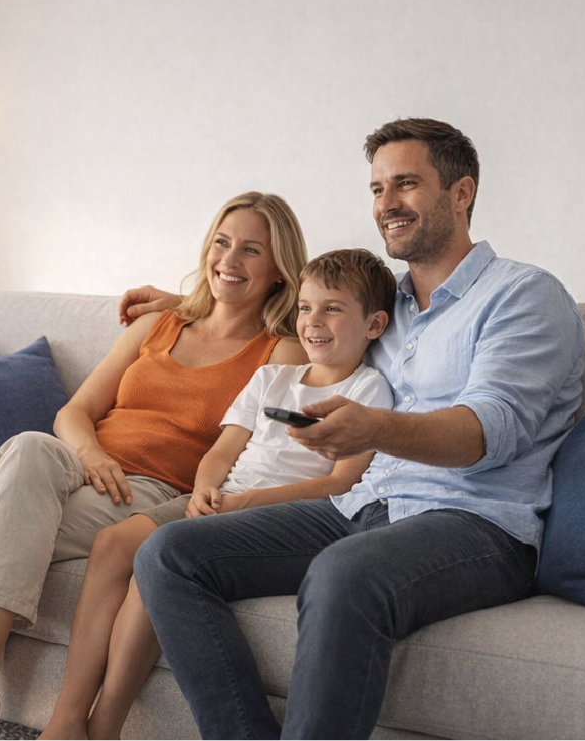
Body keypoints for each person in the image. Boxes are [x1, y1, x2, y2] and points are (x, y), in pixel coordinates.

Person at [130, 118, 585, 741]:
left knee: (344, 573)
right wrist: (186, 307)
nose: (386, 204)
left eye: (405, 185)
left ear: (462, 194)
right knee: (168, 552)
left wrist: (375, 426)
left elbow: (488, 432)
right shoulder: (383, 307)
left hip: (475, 524)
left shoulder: (524, 296)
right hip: (363, 506)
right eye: (376, 189)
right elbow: (302, 307)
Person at [0, 192, 309, 741]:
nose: (230, 259)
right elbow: (75, 411)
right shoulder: (159, 325)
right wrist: (91, 453)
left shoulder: (281, 350)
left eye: (251, 250)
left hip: (150, 489)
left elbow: (272, 443)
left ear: (278, 269)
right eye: (222, 243)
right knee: (30, 445)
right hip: (82, 464)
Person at [37, 248, 396, 741]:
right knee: (112, 544)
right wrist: (206, 488)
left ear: (374, 325)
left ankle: (105, 726)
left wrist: (241, 504)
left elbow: (341, 484)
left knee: (153, 569)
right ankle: (67, 720)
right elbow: (222, 451)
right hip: (219, 498)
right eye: (307, 307)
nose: (313, 321)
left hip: (277, 513)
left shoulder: (369, 392)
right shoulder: (274, 376)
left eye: (332, 308)